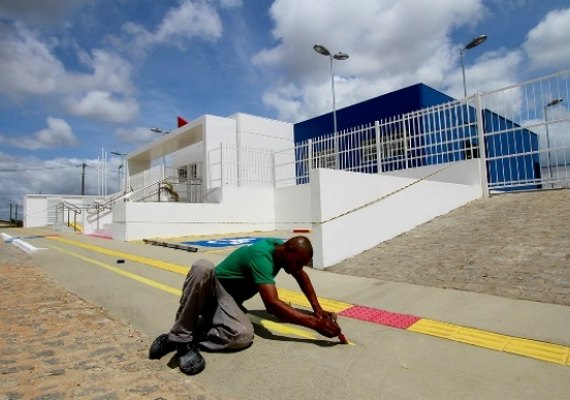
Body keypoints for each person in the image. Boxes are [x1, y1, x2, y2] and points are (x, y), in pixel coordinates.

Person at [149, 235, 343, 375]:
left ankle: (190, 337)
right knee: (203, 267)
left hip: (227, 303)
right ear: (289, 250)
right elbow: (273, 305)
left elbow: (302, 277)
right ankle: (181, 338)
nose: (299, 268)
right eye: (299, 263)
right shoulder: (262, 256)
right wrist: (316, 325)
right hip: (210, 294)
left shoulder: (281, 249)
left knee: (242, 336)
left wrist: (318, 310)